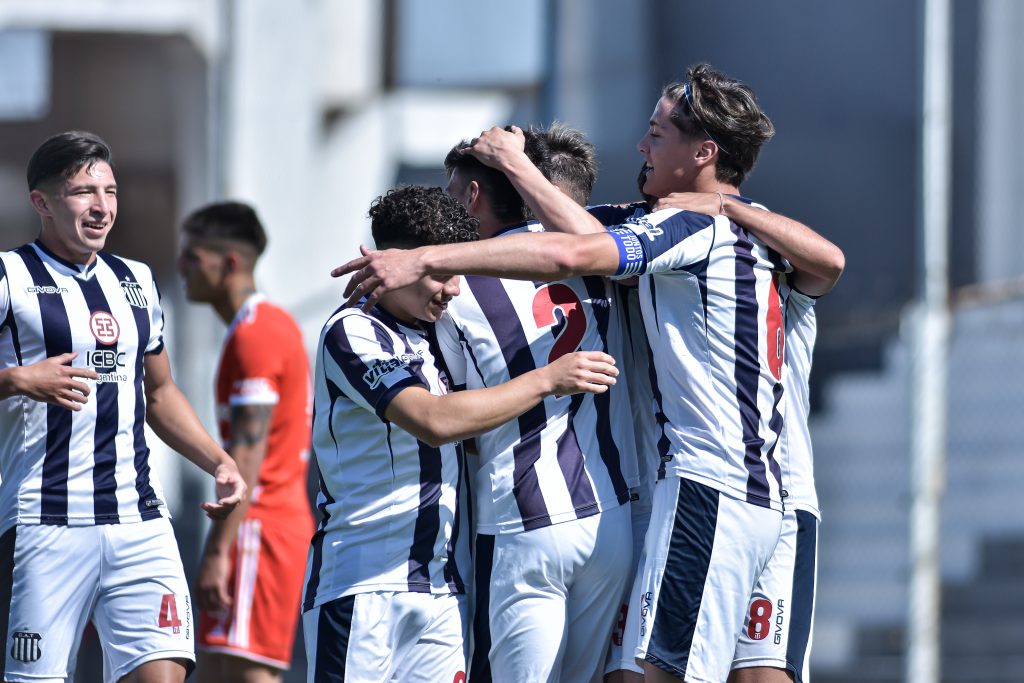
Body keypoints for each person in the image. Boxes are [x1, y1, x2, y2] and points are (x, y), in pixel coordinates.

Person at [333, 64, 845, 683]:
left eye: (657, 134)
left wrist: (423, 256)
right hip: (752, 498)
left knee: (651, 675)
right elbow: (830, 263)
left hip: (671, 493)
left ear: (704, 152)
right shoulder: (753, 235)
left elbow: (572, 251)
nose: (641, 146)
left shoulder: (678, 229)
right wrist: (733, 207)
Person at [301, 185, 620, 682]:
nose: (453, 289)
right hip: (362, 586)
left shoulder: (436, 336)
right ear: (394, 264)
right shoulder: (352, 330)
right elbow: (433, 421)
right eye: (441, 274)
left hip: (442, 591)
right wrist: (547, 379)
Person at [0, 131, 246, 683]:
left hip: (140, 520)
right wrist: (16, 378)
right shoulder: (9, 277)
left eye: (109, 190)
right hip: (45, 522)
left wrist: (218, 461)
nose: (102, 206)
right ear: (42, 202)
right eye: (83, 192)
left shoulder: (136, 280)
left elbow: (158, 392)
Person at [439, 123, 635, 683]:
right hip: (607, 517)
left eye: (452, 188)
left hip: (520, 521)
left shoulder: (455, 286)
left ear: (474, 195)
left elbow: (448, 415)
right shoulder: (595, 263)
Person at [650, 192, 842, 683]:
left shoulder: (767, 251)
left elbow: (831, 261)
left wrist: (729, 207)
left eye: (656, 132)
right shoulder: (674, 240)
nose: (643, 148)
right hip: (717, 489)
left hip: (778, 490)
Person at [177, 201, 314, 683]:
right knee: (216, 670)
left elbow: (249, 456)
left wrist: (218, 552)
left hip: (259, 530)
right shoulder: (257, 328)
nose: (181, 268)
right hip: (258, 526)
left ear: (229, 262)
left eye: (192, 256)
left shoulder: (257, 333)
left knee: (249, 674)